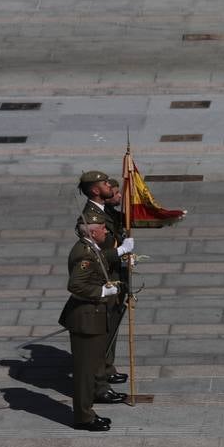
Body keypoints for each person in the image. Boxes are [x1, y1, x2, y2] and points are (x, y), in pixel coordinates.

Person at [59, 220, 127, 430]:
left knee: (93, 366)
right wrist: (101, 292)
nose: (106, 230)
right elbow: (75, 284)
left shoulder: (92, 248)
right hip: (86, 319)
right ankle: (84, 417)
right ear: (94, 232)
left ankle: (87, 409)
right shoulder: (84, 253)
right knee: (85, 372)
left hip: (94, 317)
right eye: (103, 229)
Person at [77, 170, 135, 385]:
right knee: (105, 328)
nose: (110, 188)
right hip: (105, 279)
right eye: (105, 185)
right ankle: (101, 374)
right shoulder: (92, 217)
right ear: (95, 190)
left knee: (113, 325)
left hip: (115, 274)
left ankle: (107, 368)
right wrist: (120, 252)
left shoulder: (105, 211)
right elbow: (95, 254)